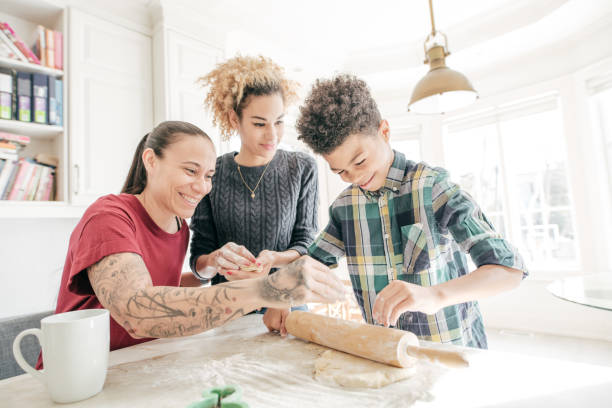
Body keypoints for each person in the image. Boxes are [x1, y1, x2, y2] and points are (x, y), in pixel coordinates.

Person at [37, 121, 344, 368]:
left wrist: (225, 273)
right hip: (76, 373)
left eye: (209, 175)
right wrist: (270, 289)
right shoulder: (109, 217)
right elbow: (138, 311)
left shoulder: (178, 226)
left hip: (134, 366)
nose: (202, 187)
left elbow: (162, 284)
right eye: (190, 171)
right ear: (150, 161)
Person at [292, 74, 528, 348]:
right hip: (388, 353)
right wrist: (283, 297)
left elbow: (509, 269)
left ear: (384, 131)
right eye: (340, 171)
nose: (354, 177)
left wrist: (435, 295)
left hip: (452, 352)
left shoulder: (433, 188)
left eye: (359, 161)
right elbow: (310, 268)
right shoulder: (344, 209)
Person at [190, 56, 319, 335]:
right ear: (234, 119)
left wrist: (274, 258)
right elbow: (199, 262)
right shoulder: (213, 171)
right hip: (227, 312)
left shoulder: (302, 167)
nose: (272, 135)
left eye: (279, 121)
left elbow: (307, 244)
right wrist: (216, 260)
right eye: (260, 123)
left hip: (287, 309)